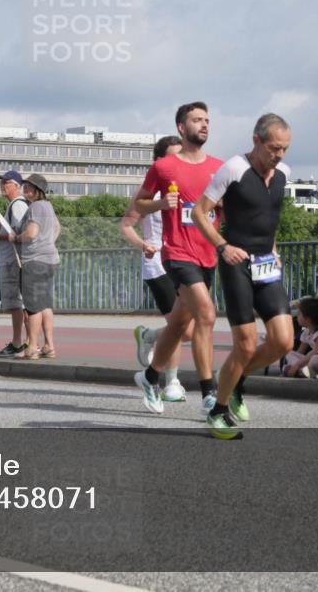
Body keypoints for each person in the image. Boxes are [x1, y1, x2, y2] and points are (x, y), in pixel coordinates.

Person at [192, 113, 295, 438]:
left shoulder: (283, 175)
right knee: (246, 345)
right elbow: (199, 211)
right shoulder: (234, 169)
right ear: (257, 141)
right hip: (235, 262)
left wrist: (274, 248)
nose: (278, 155)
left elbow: (267, 218)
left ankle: (234, 380)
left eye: (284, 149)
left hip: (266, 264)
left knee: (283, 340)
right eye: (273, 148)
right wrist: (222, 246)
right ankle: (218, 412)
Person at [132, 102, 223, 415]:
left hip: (208, 253)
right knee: (207, 315)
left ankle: (150, 375)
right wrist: (160, 204)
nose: (205, 125)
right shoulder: (165, 168)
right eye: (197, 120)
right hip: (177, 253)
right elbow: (138, 205)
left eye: (207, 120)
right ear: (182, 128)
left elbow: (228, 211)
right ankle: (210, 393)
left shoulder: (218, 167)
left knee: (180, 323)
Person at [121, 135, 190, 403]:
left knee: (186, 328)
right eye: (172, 156)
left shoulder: (186, 186)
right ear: (159, 161)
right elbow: (126, 225)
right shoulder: (149, 192)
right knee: (178, 325)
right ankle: (172, 382)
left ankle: (148, 336)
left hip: (186, 262)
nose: (178, 162)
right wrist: (143, 245)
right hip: (158, 264)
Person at [7, 174, 60, 359]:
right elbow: (57, 227)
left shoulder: (36, 206)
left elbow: (31, 233)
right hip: (50, 259)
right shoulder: (48, 206)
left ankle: (32, 347)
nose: (26, 189)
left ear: (38, 191)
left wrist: (16, 238)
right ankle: (49, 346)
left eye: (30, 187)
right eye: (25, 186)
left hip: (34, 261)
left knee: (33, 306)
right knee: (45, 304)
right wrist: (48, 243)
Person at [0, 170, 30, 356]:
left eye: (7, 182)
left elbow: (18, 234)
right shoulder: (14, 206)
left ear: (17, 186)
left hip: (14, 260)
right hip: (13, 260)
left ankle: (20, 342)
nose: (3, 185)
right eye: (2, 182)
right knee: (20, 303)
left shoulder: (18, 205)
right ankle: (26, 342)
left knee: (16, 304)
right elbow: (14, 229)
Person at [282, 296, 318, 379]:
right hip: (311, 363)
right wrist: (295, 364)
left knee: (315, 360)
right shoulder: (306, 332)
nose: (297, 316)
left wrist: (297, 365)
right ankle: (304, 371)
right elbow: (300, 352)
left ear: (308, 319)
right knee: (289, 353)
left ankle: (306, 371)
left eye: (299, 313)